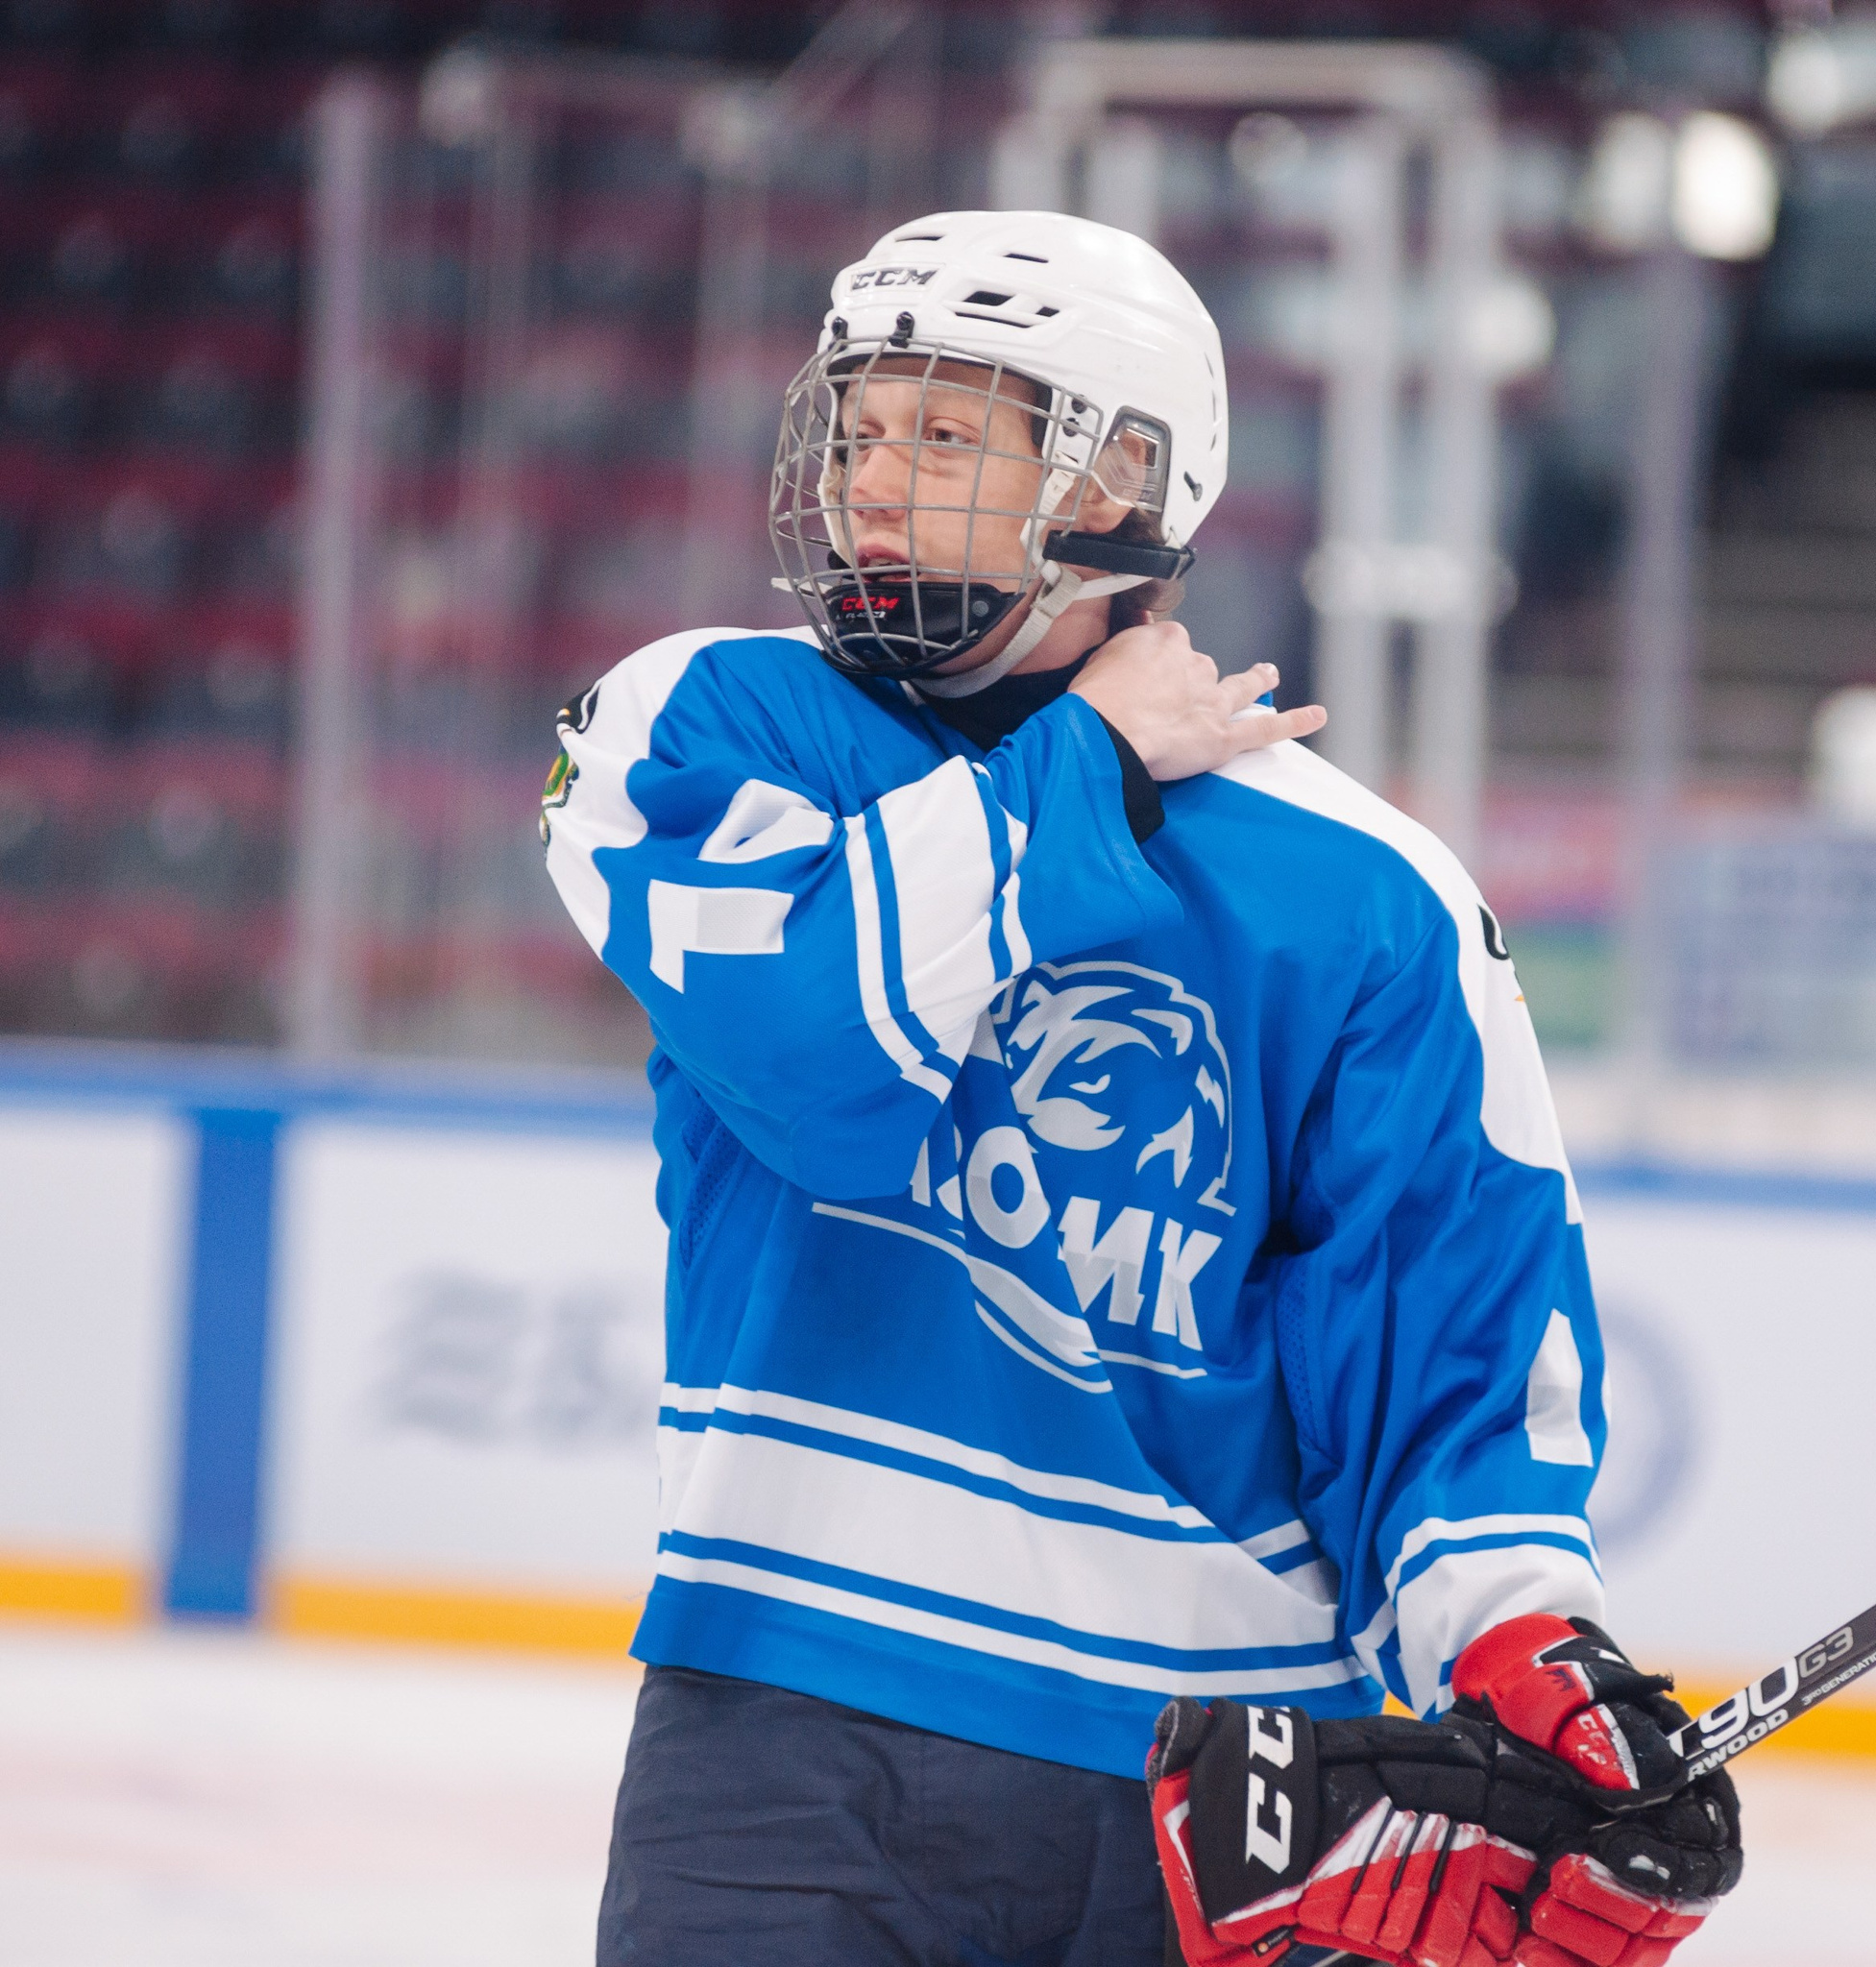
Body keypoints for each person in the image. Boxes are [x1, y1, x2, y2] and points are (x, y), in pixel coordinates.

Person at [540, 207, 1739, 1967]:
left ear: (1119, 474)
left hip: (1228, 1808)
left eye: (945, 437)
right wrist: (1085, 763)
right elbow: (815, 1069)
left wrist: (1528, 1657)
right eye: (861, 427)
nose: (872, 480)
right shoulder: (711, 726)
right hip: (788, 1730)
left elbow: (1440, 1370)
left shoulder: (1368, 898)